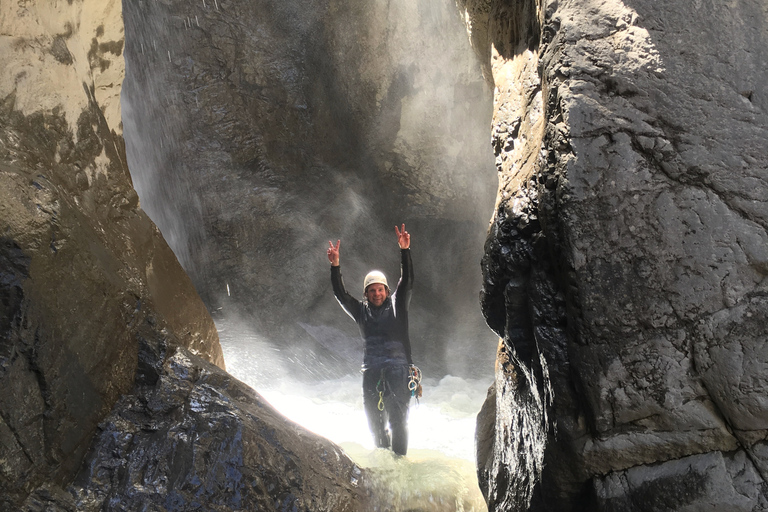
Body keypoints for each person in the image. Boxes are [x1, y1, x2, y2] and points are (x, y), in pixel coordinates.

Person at [327, 224, 415, 456]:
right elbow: (340, 294)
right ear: (366, 293)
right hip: (372, 371)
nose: (377, 293)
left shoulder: (398, 304)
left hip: (398, 369)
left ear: (387, 291)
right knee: (375, 424)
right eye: (372, 290)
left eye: (380, 290)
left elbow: (407, 281)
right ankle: (385, 467)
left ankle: (399, 465)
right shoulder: (360, 311)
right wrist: (335, 265)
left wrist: (404, 250)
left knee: (397, 422)